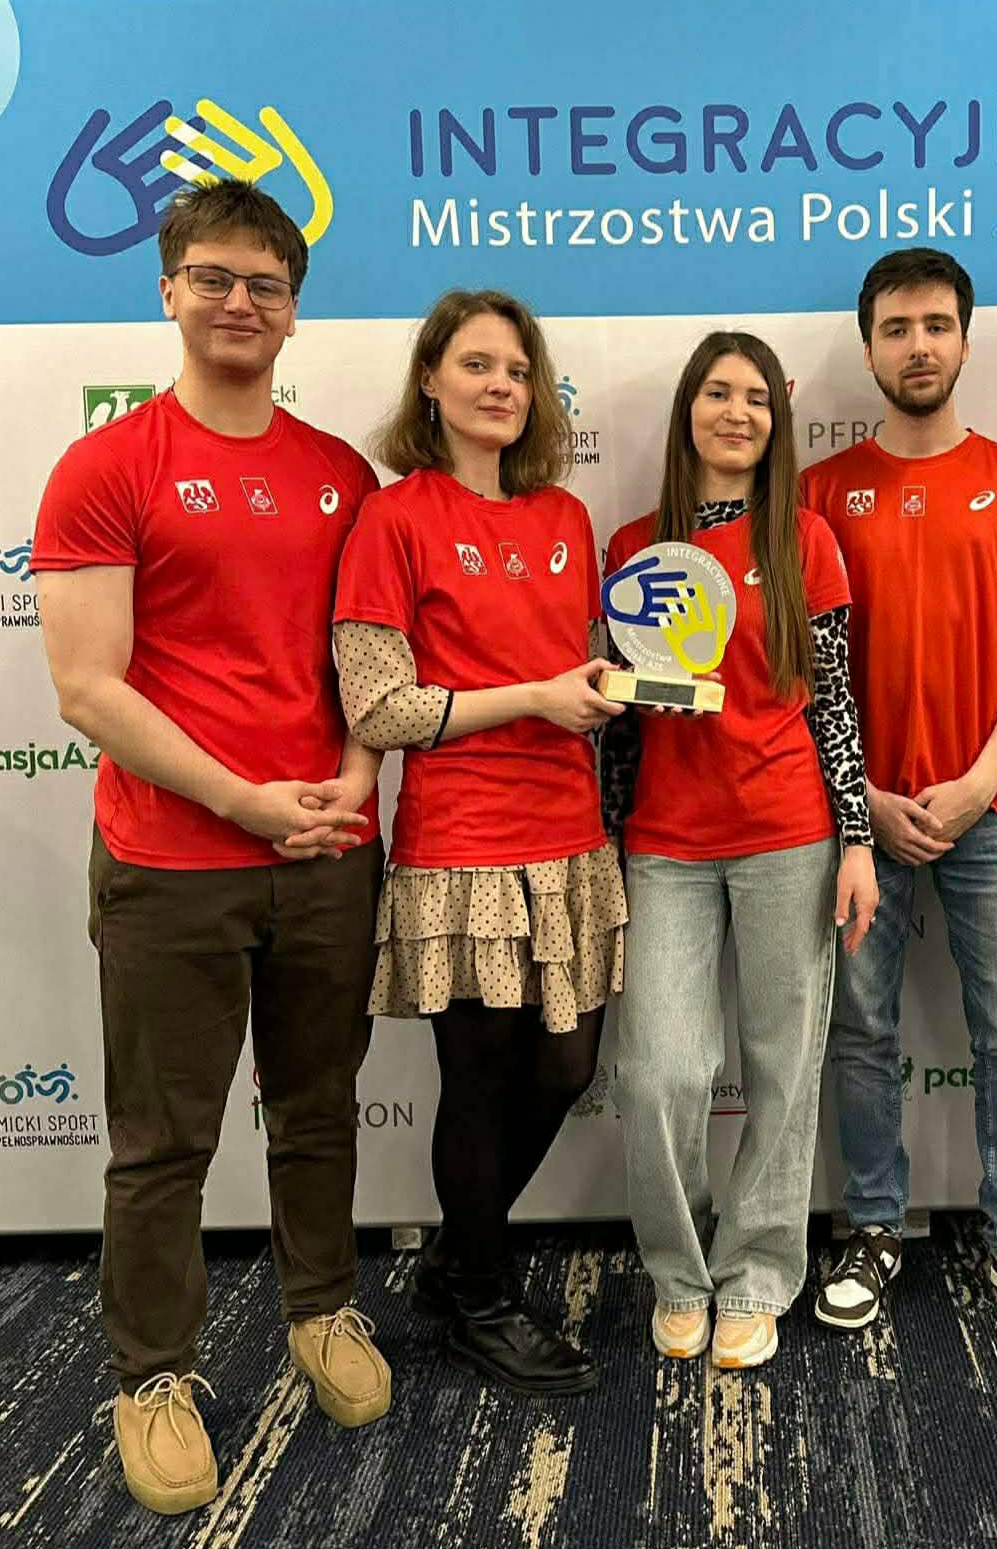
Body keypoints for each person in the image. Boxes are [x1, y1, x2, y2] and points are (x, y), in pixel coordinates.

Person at [32, 181, 390, 1516]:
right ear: (169, 291)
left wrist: (352, 783)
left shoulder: (342, 476)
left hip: (326, 853)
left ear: (295, 312)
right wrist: (245, 800)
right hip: (172, 862)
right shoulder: (107, 467)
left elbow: (370, 668)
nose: (241, 302)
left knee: (318, 1105)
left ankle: (323, 1307)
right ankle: (152, 1375)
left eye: (266, 285)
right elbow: (88, 688)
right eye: (215, 278)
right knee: (162, 1142)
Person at [801, 248, 997, 1345]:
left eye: (936, 325)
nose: (918, 345)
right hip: (858, 819)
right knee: (862, 1030)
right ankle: (874, 1227)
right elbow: (801, 671)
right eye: (897, 328)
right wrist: (867, 799)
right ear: (868, 347)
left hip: (994, 809)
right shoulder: (818, 494)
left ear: (965, 341)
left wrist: (979, 783)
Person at [333, 289, 626, 1396]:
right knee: (480, 1076)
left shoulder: (565, 519)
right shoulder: (393, 518)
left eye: (517, 368)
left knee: (569, 1065)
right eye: (476, 364)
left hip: (570, 836)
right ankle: (486, 1305)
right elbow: (379, 707)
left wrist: (607, 690)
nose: (501, 384)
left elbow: (576, 673)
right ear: (430, 380)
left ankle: (461, 1260)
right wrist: (535, 697)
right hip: (462, 844)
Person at [605, 331, 879, 1370]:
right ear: (688, 410)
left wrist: (857, 837)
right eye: (718, 393)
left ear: (778, 419)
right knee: (660, 1071)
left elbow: (833, 700)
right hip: (665, 845)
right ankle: (679, 1272)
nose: (737, 413)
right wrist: (604, 835)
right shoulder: (634, 544)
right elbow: (620, 726)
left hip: (788, 835)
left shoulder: (806, 538)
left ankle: (758, 1273)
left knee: (782, 1067)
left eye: (757, 398)